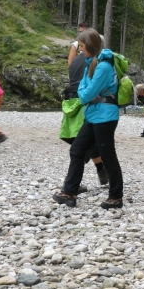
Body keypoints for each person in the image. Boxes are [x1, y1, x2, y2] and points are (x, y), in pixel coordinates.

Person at [53, 28, 123, 209]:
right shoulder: (90, 62)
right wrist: (86, 92)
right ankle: (69, 192)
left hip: (105, 117)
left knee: (108, 155)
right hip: (93, 115)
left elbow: (84, 94)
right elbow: (85, 90)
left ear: (90, 45)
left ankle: (116, 196)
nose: (80, 50)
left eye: (82, 46)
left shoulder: (104, 67)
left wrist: (85, 93)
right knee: (77, 150)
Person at [60, 32, 109, 189]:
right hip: (85, 103)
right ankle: (72, 183)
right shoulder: (95, 60)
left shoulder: (75, 61)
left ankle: (101, 170)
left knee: (84, 140)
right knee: (83, 144)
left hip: (70, 100)